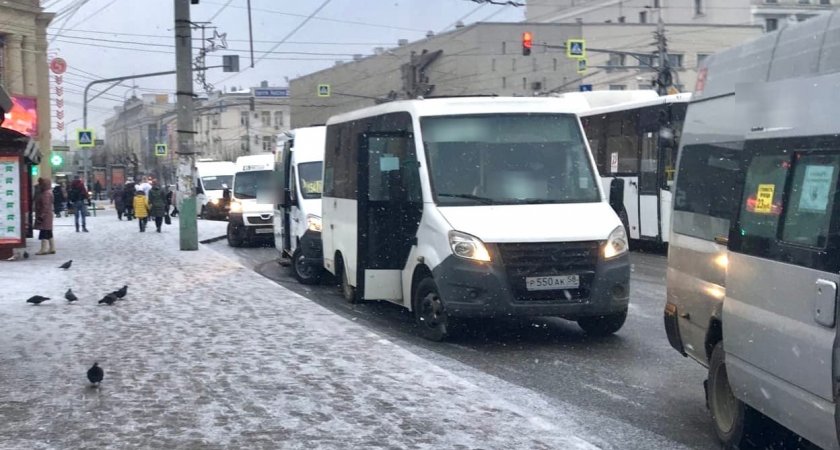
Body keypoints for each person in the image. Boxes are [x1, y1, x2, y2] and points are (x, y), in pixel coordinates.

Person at [34, 178, 55, 255]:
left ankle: (43, 249)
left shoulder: (45, 194)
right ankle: (52, 247)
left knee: (43, 232)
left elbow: (45, 206)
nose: (39, 185)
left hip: (45, 215)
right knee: (48, 231)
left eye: (41, 184)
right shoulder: (49, 192)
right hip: (48, 215)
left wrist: (41, 216)